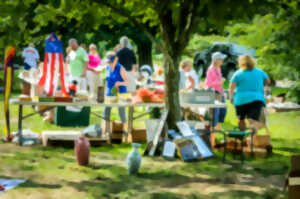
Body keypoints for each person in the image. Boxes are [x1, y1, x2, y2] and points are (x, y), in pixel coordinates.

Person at [229, 55, 271, 137]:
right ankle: (253, 140)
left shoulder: (238, 73)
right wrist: (260, 85)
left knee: (241, 120)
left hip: (241, 100)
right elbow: (268, 81)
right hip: (257, 99)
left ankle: (243, 138)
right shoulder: (260, 72)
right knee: (253, 120)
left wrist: (231, 97)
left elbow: (231, 87)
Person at [103, 51, 129, 129]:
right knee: (106, 111)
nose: (110, 63)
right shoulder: (107, 67)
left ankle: (125, 131)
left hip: (121, 93)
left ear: (116, 60)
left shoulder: (121, 68)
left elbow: (127, 82)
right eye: (108, 62)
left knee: (121, 112)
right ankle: (106, 130)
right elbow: (107, 80)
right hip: (109, 93)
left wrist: (120, 83)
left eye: (111, 62)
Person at [205, 52, 227, 131]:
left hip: (219, 91)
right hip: (213, 92)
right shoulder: (210, 69)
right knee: (215, 111)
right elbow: (208, 83)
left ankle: (218, 126)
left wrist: (221, 87)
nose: (222, 60)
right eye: (221, 59)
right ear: (216, 60)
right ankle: (213, 128)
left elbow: (219, 80)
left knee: (223, 109)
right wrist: (219, 82)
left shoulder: (218, 68)